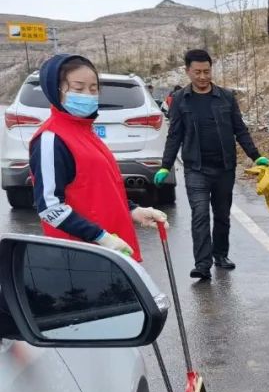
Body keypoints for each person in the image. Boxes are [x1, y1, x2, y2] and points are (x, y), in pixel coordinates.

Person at [28, 54, 168, 260]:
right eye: (78, 88)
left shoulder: (85, 131)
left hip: (112, 252)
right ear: (55, 90)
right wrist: (101, 237)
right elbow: (50, 209)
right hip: (82, 256)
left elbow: (100, 189)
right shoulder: (51, 138)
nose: (88, 94)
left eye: (94, 89)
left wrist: (133, 211)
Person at [155, 49, 269, 280]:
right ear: (187, 71)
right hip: (196, 168)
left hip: (224, 167)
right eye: (197, 72)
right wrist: (166, 165)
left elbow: (240, 130)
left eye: (206, 71)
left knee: (222, 214)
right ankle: (202, 264)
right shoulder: (180, 100)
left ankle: (221, 255)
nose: (202, 77)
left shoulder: (226, 97)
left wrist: (256, 156)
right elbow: (174, 135)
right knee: (200, 215)